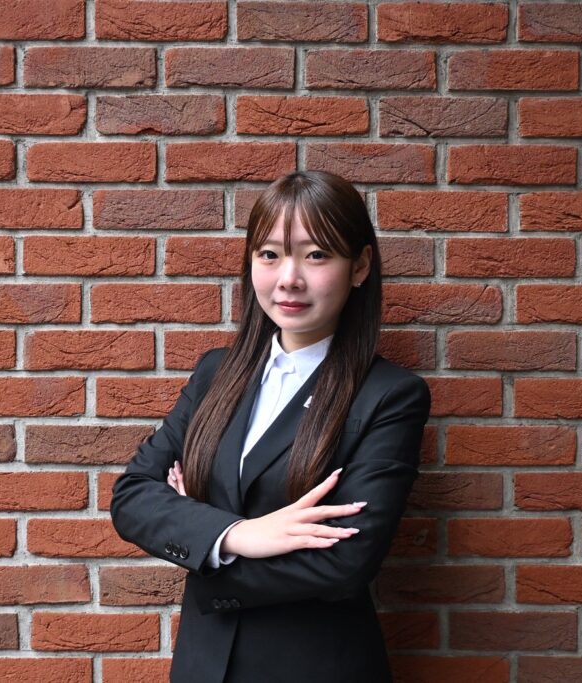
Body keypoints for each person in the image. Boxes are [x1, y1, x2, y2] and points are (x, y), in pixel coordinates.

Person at [110, 170, 432, 683]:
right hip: (203, 667)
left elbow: (346, 561)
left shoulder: (388, 396)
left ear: (359, 266)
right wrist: (239, 534)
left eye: (316, 255)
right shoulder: (216, 373)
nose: (289, 279)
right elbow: (133, 497)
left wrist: (201, 542)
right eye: (270, 255)